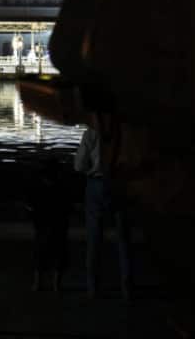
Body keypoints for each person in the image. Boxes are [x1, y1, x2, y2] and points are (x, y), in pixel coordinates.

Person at [74, 106, 133, 300]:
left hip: (96, 184)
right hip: (120, 184)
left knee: (94, 238)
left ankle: (93, 286)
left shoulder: (91, 133)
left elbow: (79, 165)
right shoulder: (124, 131)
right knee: (123, 239)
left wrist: (91, 169)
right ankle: (127, 287)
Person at [26, 156, 72, 292]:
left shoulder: (37, 189)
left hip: (42, 225)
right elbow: (68, 208)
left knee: (40, 253)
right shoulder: (62, 189)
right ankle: (56, 284)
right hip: (59, 225)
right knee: (59, 253)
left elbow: (31, 207)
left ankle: (37, 283)